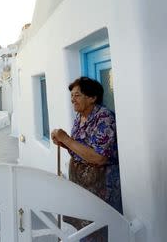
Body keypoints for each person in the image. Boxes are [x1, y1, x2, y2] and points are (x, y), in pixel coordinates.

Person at [51, 77, 122, 241]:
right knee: (84, 229)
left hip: (101, 187)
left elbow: (99, 157)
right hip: (82, 184)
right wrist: (63, 143)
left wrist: (67, 140)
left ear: (92, 98)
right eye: (71, 96)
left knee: (100, 229)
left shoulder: (104, 118)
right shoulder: (79, 117)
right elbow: (80, 151)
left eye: (77, 95)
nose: (72, 100)